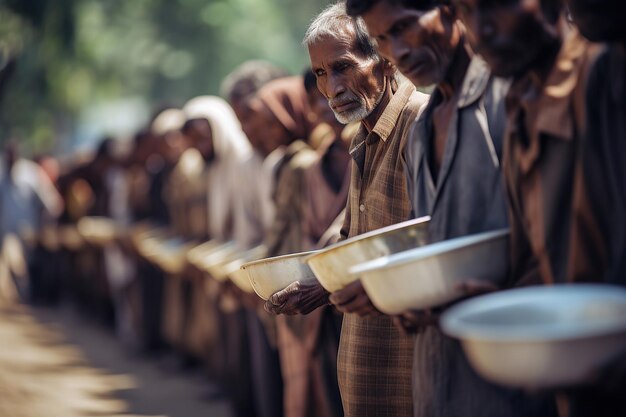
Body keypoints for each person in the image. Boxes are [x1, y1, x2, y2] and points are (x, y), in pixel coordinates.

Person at [346, 1, 556, 416]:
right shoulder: (422, 130)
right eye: (384, 38)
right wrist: (403, 295)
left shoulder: (510, 97)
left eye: (406, 26)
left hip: (516, 367)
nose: (398, 50)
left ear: (449, 10)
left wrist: (508, 294)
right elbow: (433, 243)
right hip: (438, 378)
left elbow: (560, 244)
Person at [265, 4, 428, 416]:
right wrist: (319, 283)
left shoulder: (421, 123)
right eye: (320, 73)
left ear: (385, 61)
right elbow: (354, 243)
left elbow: (433, 241)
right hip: (364, 356)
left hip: (411, 356)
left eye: (342, 67)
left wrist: (333, 285)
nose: (331, 88)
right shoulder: (362, 136)